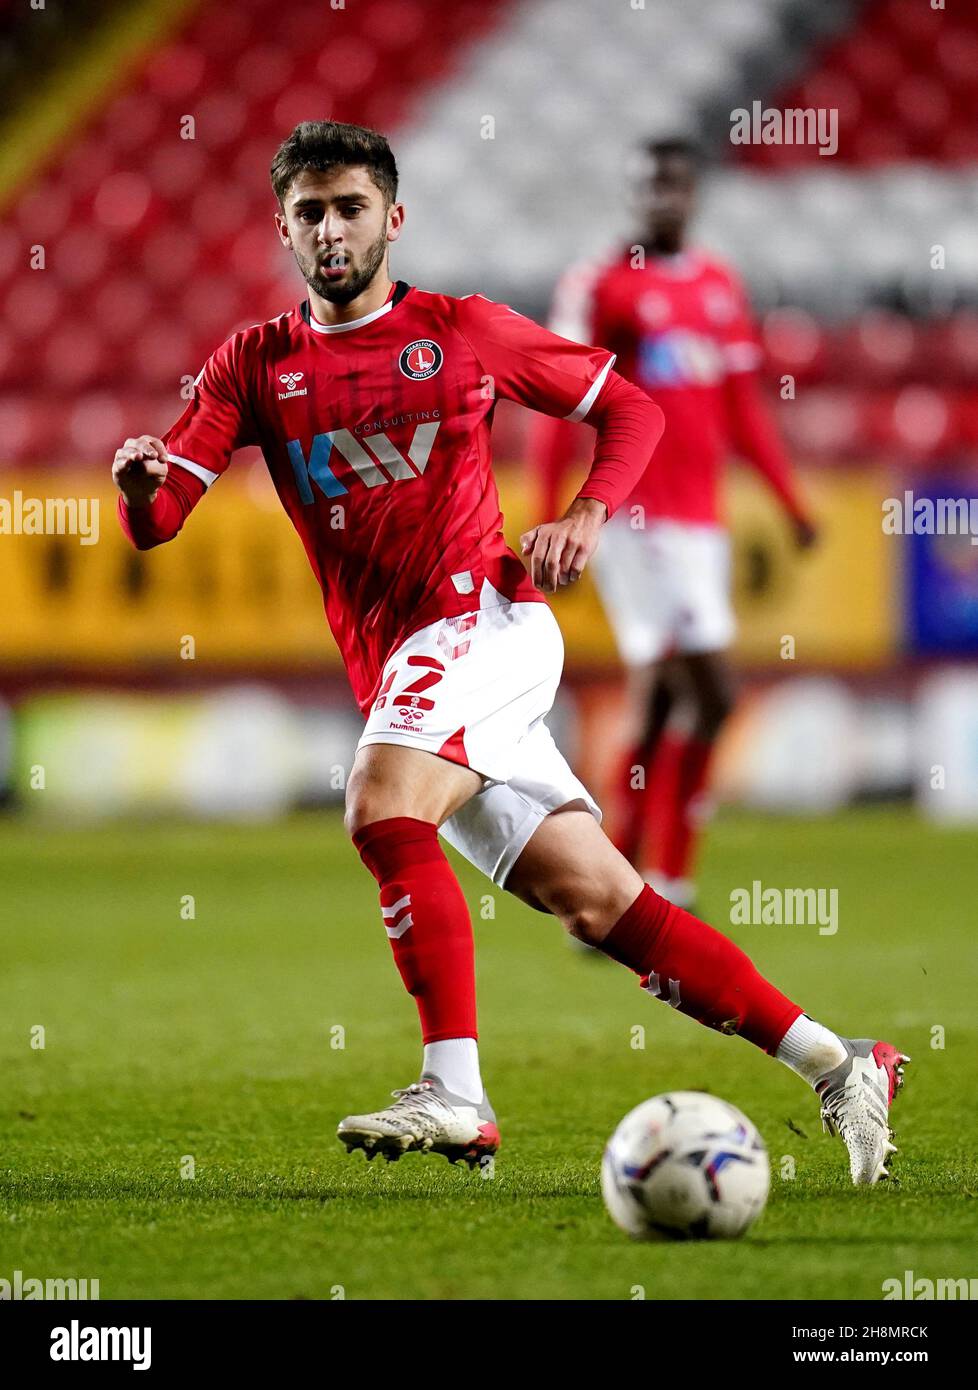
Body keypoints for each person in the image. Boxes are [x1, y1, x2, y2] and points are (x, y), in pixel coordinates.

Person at [112, 120, 906, 1185]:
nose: (331, 229)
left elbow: (632, 407)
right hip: (404, 668)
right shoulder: (255, 364)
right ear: (284, 230)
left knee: (384, 805)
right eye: (310, 212)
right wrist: (137, 484)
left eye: (351, 208)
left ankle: (458, 1093)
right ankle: (840, 1061)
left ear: (393, 218)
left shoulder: (465, 330)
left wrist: (587, 513)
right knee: (600, 903)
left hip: (484, 623)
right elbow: (163, 518)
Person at [533, 138, 817, 910]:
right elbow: (561, 401)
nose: (662, 199)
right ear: (632, 195)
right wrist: (552, 514)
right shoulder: (601, 284)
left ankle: (618, 878)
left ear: (692, 192)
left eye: (674, 185)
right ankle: (673, 874)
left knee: (660, 700)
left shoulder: (718, 283)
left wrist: (789, 502)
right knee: (716, 692)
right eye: (647, 186)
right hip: (636, 517)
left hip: (702, 521)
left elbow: (741, 408)